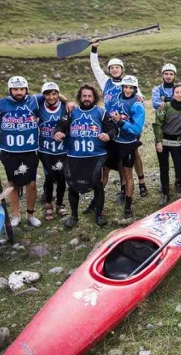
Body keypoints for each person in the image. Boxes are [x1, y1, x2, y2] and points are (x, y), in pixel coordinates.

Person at [0, 76, 42, 228]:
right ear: (10, 90)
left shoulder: (35, 100)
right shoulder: (1, 103)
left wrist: (68, 102)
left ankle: (30, 214)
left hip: (29, 150)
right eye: (15, 89)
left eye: (21, 89)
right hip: (9, 151)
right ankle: (16, 215)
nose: (19, 92)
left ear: (26, 89)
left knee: (31, 184)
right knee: (12, 184)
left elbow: (52, 93)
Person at [90, 39, 148, 198]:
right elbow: (95, 68)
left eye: (117, 67)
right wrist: (94, 49)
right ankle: (123, 186)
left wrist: (141, 99)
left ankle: (141, 182)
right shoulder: (105, 82)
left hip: (128, 124)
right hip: (112, 125)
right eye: (112, 67)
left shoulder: (129, 83)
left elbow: (140, 96)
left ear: (122, 69)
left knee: (133, 153)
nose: (115, 69)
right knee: (117, 156)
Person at [54, 84, 117, 228]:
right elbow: (60, 126)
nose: (87, 98)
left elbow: (113, 129)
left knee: (98, 185)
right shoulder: (72, 112)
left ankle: (99, 215)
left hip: (95, 156)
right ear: (80, 97)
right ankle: (74, 216)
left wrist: (108, 135)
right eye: (84, 96)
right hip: (75, 156)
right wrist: (57, 132)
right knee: (73, 186)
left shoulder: (101, 112)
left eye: (90, 96)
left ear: (94, 97)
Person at [110, 75, 146, 219]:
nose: (128, 90)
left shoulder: (137, 104)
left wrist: (120, 123)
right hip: (115, 141)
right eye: (125, 87)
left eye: (131, 88)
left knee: (128, 172)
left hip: (128, 143)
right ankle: (120, 192)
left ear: (135, 89)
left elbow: (136, 130)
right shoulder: (115, 99)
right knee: (115, 169)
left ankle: (128, 207)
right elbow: (109, 115)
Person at [36, 82, 69, 221]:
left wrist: (66, 101)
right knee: (49, 176)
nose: (51, 97)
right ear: (43, 95)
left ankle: (60, 204)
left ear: (58, 94)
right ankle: (48, 203)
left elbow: (69, 124)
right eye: (48, 94)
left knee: (62, 176)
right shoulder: (38, 106)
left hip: (62, 149)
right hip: (45, 148)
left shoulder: (64, 107)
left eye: (54, 93)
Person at [153, 83, 181, 206]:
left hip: (178, 142)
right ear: (173, 94)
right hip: (164, 142)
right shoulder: (165, 106)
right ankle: (165, 194)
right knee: (164, 169)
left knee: (180, 169)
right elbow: (158, 124)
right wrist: (158, 141)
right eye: (177, 92)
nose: (179, 95)